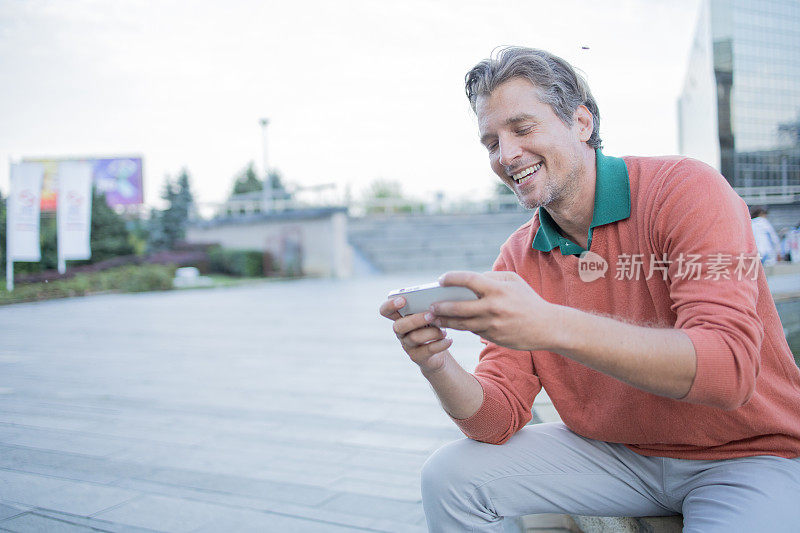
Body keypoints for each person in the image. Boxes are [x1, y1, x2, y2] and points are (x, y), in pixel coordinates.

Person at [379, 47, 800, 533]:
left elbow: (728, 369)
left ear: (581, 121)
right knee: (449, 476)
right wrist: (437, 364)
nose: (506, 154)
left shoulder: (685, 189)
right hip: (618, 457)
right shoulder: (518, 256)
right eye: (491, 141)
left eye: (522, 127)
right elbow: (495, 421)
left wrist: (550, 324)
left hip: (747, 454)